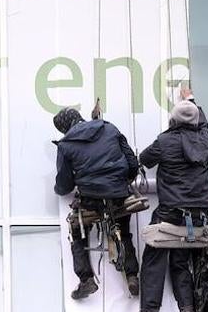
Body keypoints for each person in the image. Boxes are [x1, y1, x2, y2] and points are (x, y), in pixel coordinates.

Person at [124, 88, 208, 312]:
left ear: (173, 119)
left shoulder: (165, 141)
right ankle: (187, 311)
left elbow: (143, 158)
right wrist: (191, 101)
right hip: (199, 216)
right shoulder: (205, 140)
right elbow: (202, 122)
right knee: (180, 261)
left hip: (171, 211)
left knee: (154, 258)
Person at [52, 105, 141, 300]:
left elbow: (65, 185)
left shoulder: (66, 145)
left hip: (91, 198)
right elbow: (133, 163)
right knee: (123, 232)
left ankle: (86, 280)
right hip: (119, 194)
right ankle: (132, 275)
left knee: (77, 230)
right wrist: (122, 181)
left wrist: (57, 189)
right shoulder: (109, 128)